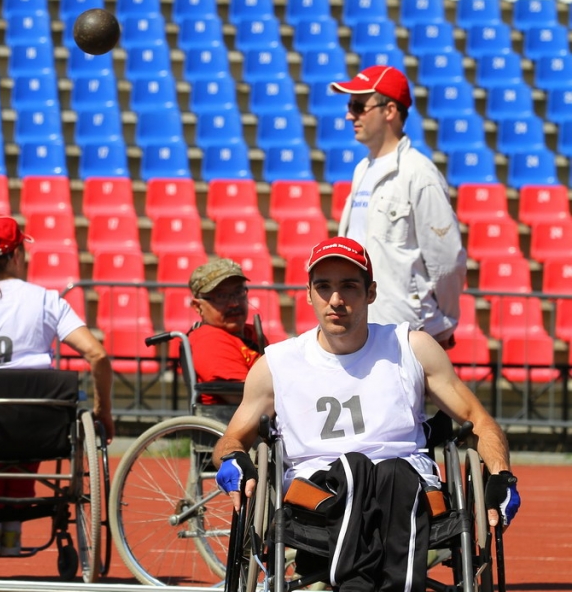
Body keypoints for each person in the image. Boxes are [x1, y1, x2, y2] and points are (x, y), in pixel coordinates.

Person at [214, 237, 520, 592]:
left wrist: (501, 475)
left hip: (409, 488)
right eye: (324, 287)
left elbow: (479, 420)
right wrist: (234, 459)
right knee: (355, 468)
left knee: (389, 474)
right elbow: (232, 439)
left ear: (370, 292)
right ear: (309, 294)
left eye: (349, 286)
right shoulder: (277, 365)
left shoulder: (411, 347)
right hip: (318, 494)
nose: (336, 300)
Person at [0, 215, 114, 556]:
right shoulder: (47, 300)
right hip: (40, 424)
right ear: (17, 254)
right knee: (31, 428)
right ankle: (9, 532)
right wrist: (103, 411)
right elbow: (98, 355)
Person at [332, 65, 466, 350]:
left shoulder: (419, 173)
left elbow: (447, 261)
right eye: (350, 105)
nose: (349, 114)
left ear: (389, 110)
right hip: (362, 326)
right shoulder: (362, 169)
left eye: (358, 106)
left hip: (403, 330)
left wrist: (441, 322)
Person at [186, 257, 266, 405]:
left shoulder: (252, 333)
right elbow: (243, 398)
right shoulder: (209, 339)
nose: (234, 303)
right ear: (198, 306)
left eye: (239, 292)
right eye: (221, 296)